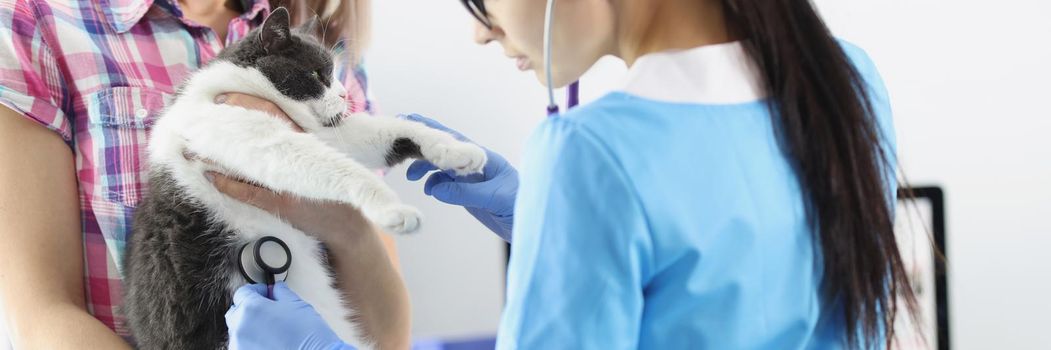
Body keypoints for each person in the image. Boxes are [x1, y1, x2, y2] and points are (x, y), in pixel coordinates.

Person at [225, 0, 920, 349]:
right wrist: (548, 225)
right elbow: (724, 286)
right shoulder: (846, 80)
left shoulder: (589, 152)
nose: (480, 30)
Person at [0, 0, 411, 348]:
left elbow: (389, 335)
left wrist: (344, 221)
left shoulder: (320, 53)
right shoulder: (35, 24)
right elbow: (42, 313)